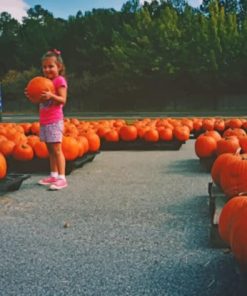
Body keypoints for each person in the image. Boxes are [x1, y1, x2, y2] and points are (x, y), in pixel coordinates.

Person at [28, 49, 68, 190]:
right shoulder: (43, 82)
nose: (47, 69)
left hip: (55, 120)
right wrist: (32, 94)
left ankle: (62, 178)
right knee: (50, 150)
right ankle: (53, 175)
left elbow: (63, 100)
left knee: (57, 150)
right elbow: (39, 99)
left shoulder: (59, 81)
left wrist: (51, 96)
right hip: (45, 121)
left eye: (51, 66)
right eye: (44, 67)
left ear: (59, 67)